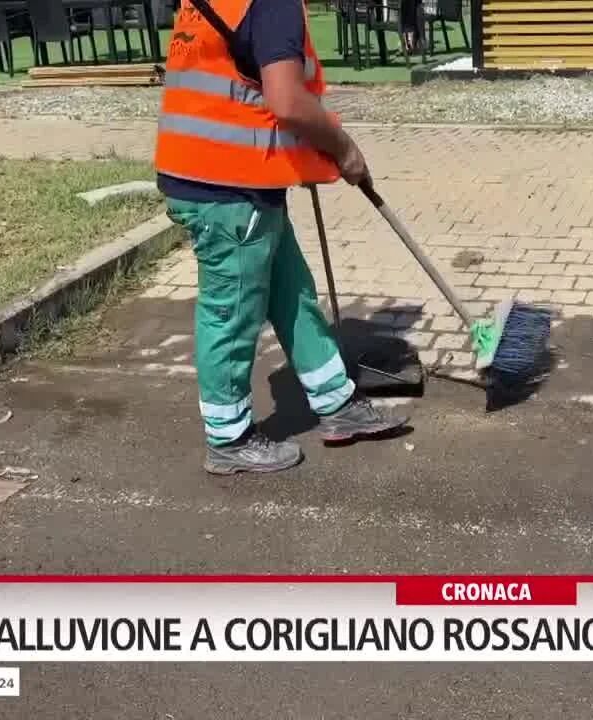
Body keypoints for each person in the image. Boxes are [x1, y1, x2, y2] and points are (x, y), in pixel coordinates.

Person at [155, 0, 407, 475]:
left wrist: (304, 154)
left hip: (229, 177)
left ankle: (337, 404)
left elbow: (240, 80)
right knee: (231, 314)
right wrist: (342, 146)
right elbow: (287, 101)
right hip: (225, 189)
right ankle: (227, 438)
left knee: (293, 294)